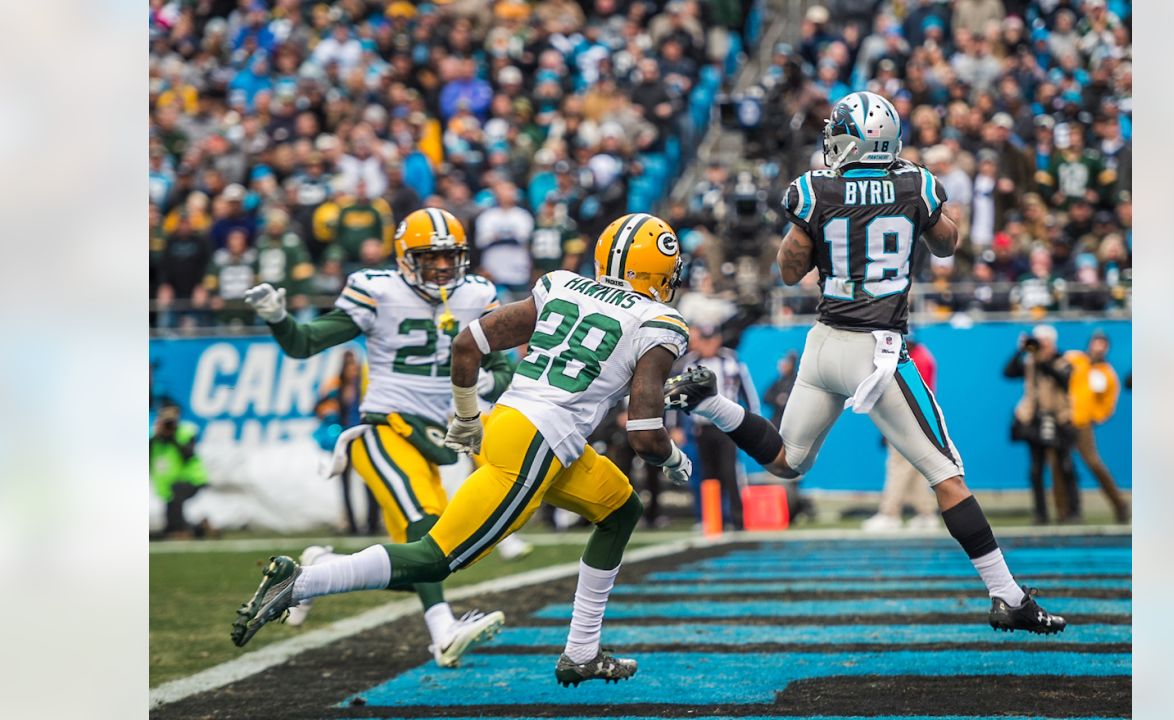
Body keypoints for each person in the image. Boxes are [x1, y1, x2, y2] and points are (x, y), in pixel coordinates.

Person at [232, 212, 694, 687]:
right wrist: (674, 459)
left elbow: (468, 344)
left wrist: (469, 418)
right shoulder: (659, 320)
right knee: (435, 556)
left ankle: (582, 652)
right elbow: (644, 433)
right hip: (539, 442)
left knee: (619, 509)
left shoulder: (563, 285)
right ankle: (300, 582)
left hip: (519, 426)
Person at [665, 92, 1065, 634]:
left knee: (786, 462)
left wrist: (821, 227)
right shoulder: (917, 183)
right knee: (947, 476)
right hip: (876, 348)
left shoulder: (814, 189)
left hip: (824, 342)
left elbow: (788, 269)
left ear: (849, 138)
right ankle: (1008, 596)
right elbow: (947, 244)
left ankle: (710, 400)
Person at [241, 208, 511, 668]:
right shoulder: (377, 291)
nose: (444, 268)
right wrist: (279, 317)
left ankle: (319, 571)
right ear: (406, 258)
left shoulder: (478, 294)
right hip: (383, 429)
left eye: (451, 258)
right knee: (425, 525)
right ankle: (442, 631)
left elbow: (503, 365)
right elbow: (304, 343)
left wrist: (486, 385)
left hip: (437, 439)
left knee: (436, 558)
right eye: (431, 258)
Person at [672, 324, 761, 531]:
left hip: (728, 426)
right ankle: (711, 519)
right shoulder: (689, 364)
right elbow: (677, 396)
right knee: (706, 474)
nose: (709, 345)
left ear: (718, 340)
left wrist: (753, 421)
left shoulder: (731, 360)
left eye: (712, 340)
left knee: (729, 472)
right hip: (701, 427)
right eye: (705, 340)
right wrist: (674, 426)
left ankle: (737, 520)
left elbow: (747, 392)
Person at [862, 338, 942, 532]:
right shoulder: (920, 356)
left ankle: (890, 513)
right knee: (913, 470)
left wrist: (892, 425)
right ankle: (926, 514)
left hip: (908, 421)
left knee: (897, 466)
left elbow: (908, 397)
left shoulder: (916, 360)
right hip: (917, 421)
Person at [1004, 324, 1080, 524]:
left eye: (1045, 341)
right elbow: (1008, 372)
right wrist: (1021, 350)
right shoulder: (1030, 363)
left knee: (1065, 467)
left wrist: (1041, 358)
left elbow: (1062, 380)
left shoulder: (1064, 361)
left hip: (1059, 418)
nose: (1042, 345)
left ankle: (1073, 511)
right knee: (1036, 470)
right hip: (1035, 420)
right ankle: (1041, 513)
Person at [312, 350, 380, 537]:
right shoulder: (336, 386)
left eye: (354, 365)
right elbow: (318, 407)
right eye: (349, 365)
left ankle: (372, 523)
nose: (353, 369)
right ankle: (351, 524)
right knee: (345, 482)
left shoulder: (365, 386)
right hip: (344, 439)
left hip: (363, 437)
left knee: (370, 480)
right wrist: (328, 412)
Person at [1065, 329, 1129, 522]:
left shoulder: (1107, 373)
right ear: (1090, 343)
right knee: (1062, 467)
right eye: (1096, 342)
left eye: (1103, 343)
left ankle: (1119, 504)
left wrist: (1096, 417)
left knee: (1094, 463)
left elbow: (1109, 402)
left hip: (1083, 423)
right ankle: (1067, 511)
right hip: (1064, 419)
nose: (1098, 346)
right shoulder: (1075, 359)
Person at [149, 404, 209, 539]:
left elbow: (188, 454)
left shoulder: (185, 431)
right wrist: (158, 435)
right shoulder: (154, 438)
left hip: (192, 479)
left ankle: (182, 531)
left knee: (176, 496)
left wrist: (172, 438)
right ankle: (199, 528)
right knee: (170, 518)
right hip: (169, 484)